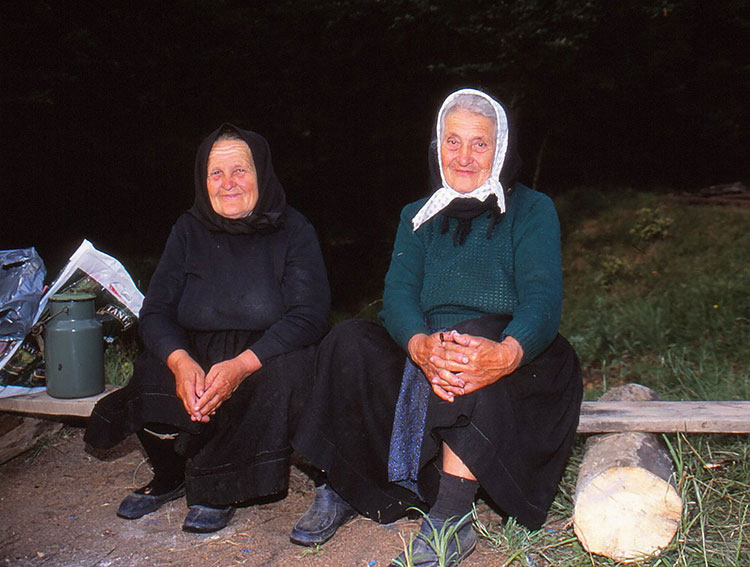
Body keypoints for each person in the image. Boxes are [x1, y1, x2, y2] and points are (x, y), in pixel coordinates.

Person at [290, 89, 582, 566]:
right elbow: (399, 296)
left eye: (479, 144)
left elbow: (543, 301)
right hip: (430, 352)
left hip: (503, 353)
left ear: (500, 148)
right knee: (347, 340)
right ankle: (341, 484)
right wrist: (420, 344)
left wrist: (508, 351)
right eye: (453, 141)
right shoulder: (416, 215)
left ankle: (452, 515)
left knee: (472, 340)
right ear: (437, 146)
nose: (464, 156)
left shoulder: (532, 210)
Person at [84, 123, 330, 533]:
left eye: (240, 170)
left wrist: (241, 366)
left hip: (264, 353)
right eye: (216, 173)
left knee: (279, 381)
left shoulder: (293, 229)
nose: (228, 183)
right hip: (197, 350)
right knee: (151, 371)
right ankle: (172, 473)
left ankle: (223, 485)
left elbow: (309, 315)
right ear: (203, 179)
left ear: (261, 174)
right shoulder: (187, 230)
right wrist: (181, 363)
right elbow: (156, 311)